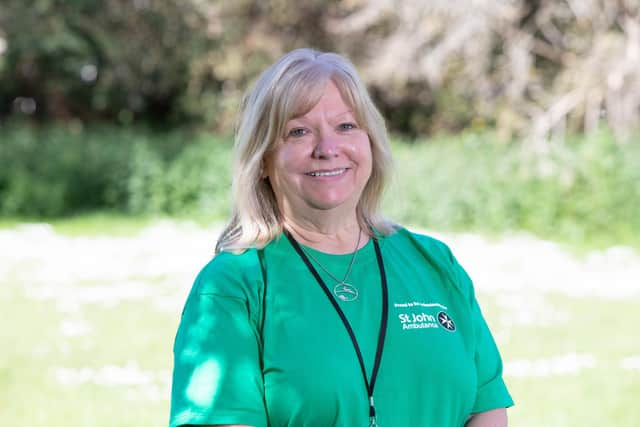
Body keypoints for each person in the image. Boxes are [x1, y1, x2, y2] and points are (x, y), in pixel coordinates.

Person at [169, 48, 513, 427]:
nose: (327, 149)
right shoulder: (234, 285)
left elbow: (486, 405)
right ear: (263, 159)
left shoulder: (434, 264)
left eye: (346, 126)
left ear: (371, 142)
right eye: (298, 132)